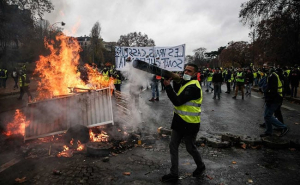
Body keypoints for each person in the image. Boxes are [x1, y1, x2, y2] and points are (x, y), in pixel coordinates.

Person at [161, 63, 205, 183]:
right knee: (173, 145)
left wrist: (167, 86)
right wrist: (172, 81)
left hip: (190, 123)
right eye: (185, 70)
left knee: (190, 148)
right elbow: (178, 91)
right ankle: (174, 173)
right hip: (179, 121)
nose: (186, 73)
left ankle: (201, 166)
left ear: (195, 74)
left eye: (189, 71)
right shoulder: (186, 84)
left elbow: (177, 101)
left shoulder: (194, 87)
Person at [260, 67, 289, 137]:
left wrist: (269, 98)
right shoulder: (271, 76)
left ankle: (283, 127)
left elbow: (272, 89)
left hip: (274, 99)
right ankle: (268, 132)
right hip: (274, 98)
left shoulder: (272, 76)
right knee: (266, 116)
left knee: (268, 116)